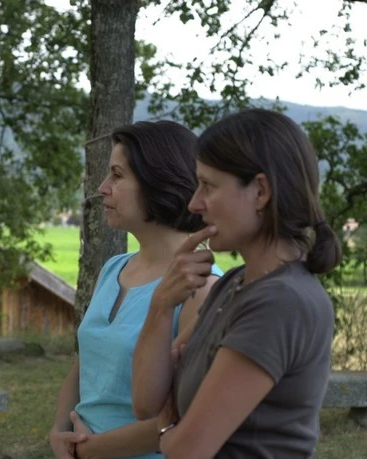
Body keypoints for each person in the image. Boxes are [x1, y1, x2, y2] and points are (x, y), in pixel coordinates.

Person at [132, 108, 342, 458]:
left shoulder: (280, 302)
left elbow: (187, 450)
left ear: (260, 191)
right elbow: (145, 402)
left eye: (208, 186)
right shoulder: (235, 284)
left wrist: (168, 425)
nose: (194, 203)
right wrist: (162, 303)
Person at [49, 121, 223, 459]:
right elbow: (87, 361)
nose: (102, 188)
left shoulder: (200, 288)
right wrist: (58, 431)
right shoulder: (113, 269)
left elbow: (183, 415)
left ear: (159, 182)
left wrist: (90, 451)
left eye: (117, 175)